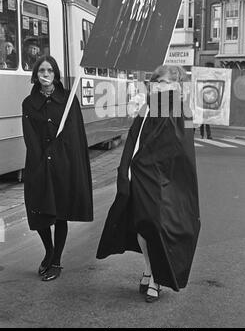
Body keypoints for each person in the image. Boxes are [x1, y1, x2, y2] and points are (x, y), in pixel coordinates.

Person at [96, 64, 200, 302]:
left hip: (166, 180)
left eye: (166, 83)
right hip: (141, 175)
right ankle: (149, 270)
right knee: (142, 227)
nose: (161, 86)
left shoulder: (183, 109)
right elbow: (133, 139)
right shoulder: (147, 106)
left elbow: (182, 147)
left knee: (156, 227)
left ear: (178, 85)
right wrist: (125, 170)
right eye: (158, 82)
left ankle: (156, 278)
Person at [22, 55, 93, 281]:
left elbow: (74, 135)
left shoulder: (69, 100)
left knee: (60, 213)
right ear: (36, 75)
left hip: (63, 164)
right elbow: (30, 136)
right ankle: (49, 251)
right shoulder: (28, 103)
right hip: (39, 164)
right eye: (41, 70)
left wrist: (59, 156)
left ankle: (56, 261)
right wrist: (40, 159)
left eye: (50, 70)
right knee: (40, 210)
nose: (45, 74)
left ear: (56, 74)